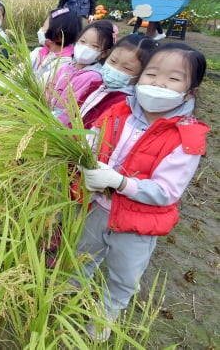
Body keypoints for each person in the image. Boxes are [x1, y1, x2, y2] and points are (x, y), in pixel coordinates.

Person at [75, 43, 209, 342]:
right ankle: (68, 298)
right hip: (98, 206)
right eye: (151, 74)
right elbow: (92, 139)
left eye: (173, 79)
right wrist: (86, 160)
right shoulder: (118, 110)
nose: (159, 83)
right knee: (82, 257)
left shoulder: (186, 137)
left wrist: (120, 182)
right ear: (139, 78)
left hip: (139, 223)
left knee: (123, 276)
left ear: (190, 92)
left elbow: (166, 191)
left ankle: (106, 312)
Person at [48, 20, 117, 127]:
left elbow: (74, 108)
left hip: (61, 126)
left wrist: (54, 124)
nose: (85, 48)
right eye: (83, 41)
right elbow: (49, 88)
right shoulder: (65, 67)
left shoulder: (93, 77)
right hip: (46, 114)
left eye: (94, 46)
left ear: (104, 53)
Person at [80, 34, 157, 128]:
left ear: (140, 75)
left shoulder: (124, 103)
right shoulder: (97, 86)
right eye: (112, 61)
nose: (115, 69)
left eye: (127, 68)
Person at [30, 7, 82, 89]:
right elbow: (19, 70)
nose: (41, 30)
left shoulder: (64, 65)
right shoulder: (39, 52)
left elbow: (37, 88)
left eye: (44, 26)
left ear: (58, 35)